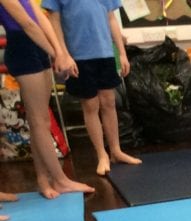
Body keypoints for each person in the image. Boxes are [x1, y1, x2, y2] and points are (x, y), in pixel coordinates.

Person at [0, 0, 94, 198]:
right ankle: (60, 179)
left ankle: (44, 180)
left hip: (38, 44)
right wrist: (57, 54)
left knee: (42, 120)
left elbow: (40, 18)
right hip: (23, 48)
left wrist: (60, 52)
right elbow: (27, 24)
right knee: (38, 121)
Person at [42, 0, 142, 175]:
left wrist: (122, 53)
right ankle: (101, 154)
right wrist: (63, 54)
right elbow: (54, 20)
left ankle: (116, 150)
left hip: (105, 53)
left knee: (109, 101)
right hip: (78, 56)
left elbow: (111, 18)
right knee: (90, 105)